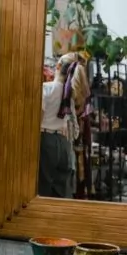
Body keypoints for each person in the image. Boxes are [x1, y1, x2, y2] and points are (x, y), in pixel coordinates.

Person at [38, 52, 89, 199]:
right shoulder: (71, 96)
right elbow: (76, 120)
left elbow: (39, 118)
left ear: (58, 66)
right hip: (65, 144)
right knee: (62, 190)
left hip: (46, 141)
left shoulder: (45, 88)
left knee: (43, 189)